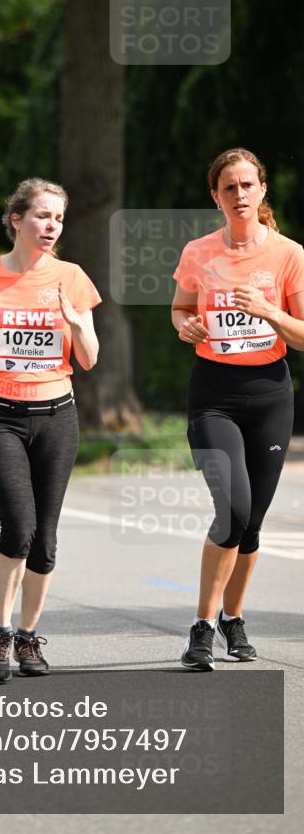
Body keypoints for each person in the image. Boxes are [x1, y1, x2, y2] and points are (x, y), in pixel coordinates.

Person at [0, 178, 101, 682]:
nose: (51, 226)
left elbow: (89, 357)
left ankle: (29, 635)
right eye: (42, 215)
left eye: (58, 218)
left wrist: (75, 322)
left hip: (57, 415)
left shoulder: (72, 278)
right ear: (17, 220)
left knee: (46, 540)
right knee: (18, 528)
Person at [172, 148, 304, 671]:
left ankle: (234, 618)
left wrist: (270, 311)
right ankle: (202, 627)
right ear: (216, 196)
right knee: (233, 510)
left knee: (252, 524)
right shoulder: (199, 252)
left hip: (270, 395)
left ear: (262, 190)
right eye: (230, 187)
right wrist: (185, 326)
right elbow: (180, 308)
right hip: (214, 395)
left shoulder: (289, 254)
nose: (240, 194)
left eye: (248, 184)